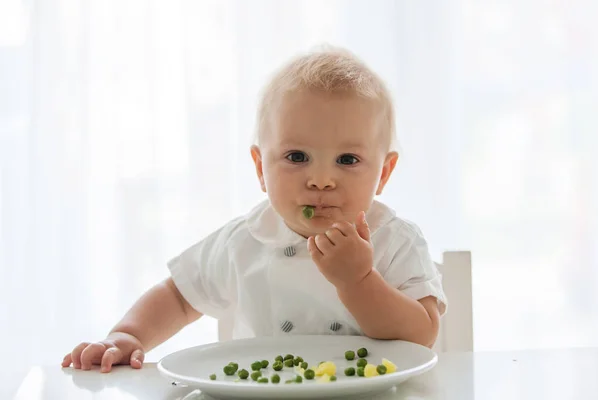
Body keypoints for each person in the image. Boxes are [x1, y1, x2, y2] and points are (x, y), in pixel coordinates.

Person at [62, 46, 447, 373]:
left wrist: (359, 281)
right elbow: (179, 296)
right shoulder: (245, 239)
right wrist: (128, 335)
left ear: (384, 173)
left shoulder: (395, 240)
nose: (321, 180)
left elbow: (422, 333)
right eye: (297, 156)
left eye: (347, 159)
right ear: (261, 168)